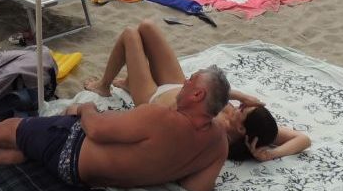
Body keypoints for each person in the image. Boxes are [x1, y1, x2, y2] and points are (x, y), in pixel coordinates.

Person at [0, 63, 231, 191]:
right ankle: (22, 154)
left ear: (198, 95)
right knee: (37, 134)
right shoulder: (219, 143)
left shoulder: (162, 118)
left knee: (14, 126)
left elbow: (97, 131)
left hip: (71, 151)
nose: (185, 82)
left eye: (191, 80)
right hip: (96, 175)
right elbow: (196, 190)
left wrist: (86, 108)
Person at [83, 20, 310, 162]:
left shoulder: (219, 131)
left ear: (241, 128)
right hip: (181, 88)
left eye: (242, 109)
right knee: (147, 28)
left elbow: (198, 101)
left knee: (130, 34)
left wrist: (239, 96)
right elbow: (303, 139)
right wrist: (270, 154)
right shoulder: (258, 129)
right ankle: (129, 82)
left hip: (154, 100)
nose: (239, 106)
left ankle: (104, 86)